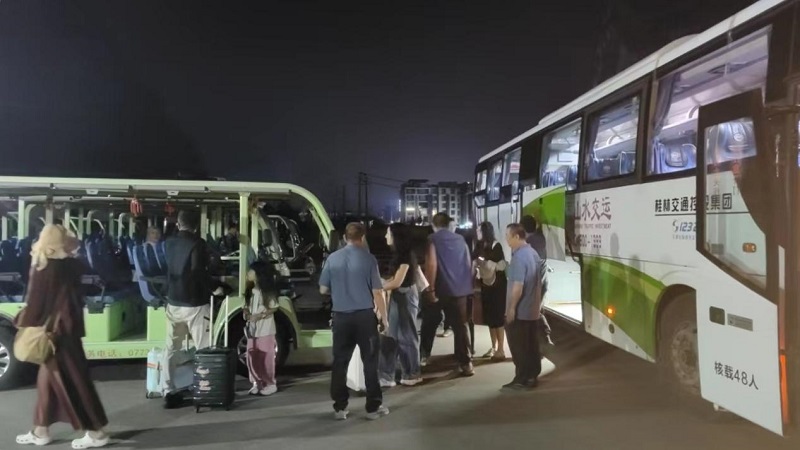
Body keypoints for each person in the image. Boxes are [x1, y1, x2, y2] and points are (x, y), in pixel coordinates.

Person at [14, 224, 111, 449]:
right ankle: (40, 430)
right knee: (47, 382)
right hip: (69, 328)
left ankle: (96, 433)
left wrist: (22, 321)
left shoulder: (43, 266)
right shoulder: (72, 264)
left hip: (55, 334)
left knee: (75, 383)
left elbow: (35, 303)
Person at [319, 222, 390, 421]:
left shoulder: (333, 258)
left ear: (344, 238)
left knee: (340, 362)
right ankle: (373, 408)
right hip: (364, 317)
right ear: (363, 237)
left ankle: (340, 407)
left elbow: (323, 289)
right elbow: (378, 292)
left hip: (341, 317)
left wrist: (339, 291)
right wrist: (384, 319)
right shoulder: (369, 259)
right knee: (370, 362)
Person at [163, 210, 215, 408]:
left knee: (171, 347)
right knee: (203, 347)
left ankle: (168, 389)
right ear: (197, 225)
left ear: (178, 224)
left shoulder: (169, 242)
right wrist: (215, 288)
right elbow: (197, 272)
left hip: (173, 301)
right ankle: (204, 388)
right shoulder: (198, 243)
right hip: (195, 303)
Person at [422, 213, 474, 376]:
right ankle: (465, 362)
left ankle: (424, 355)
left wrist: (430, 289)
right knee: (460, 326)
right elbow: (468, 263)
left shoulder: (432, 239)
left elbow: (431, 264)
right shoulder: (461, 239)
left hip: (440, 289)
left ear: (434, 225)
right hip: (460, 290)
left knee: (429, 323)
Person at [378, 223, 423, 387]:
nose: (385, 236)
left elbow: (397, 281)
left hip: (406, 296)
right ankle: (386, 375)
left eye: (388, 233)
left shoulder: (406, 256)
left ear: (396, 236)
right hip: (398, 295)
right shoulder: (399, 255)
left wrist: (378, 287)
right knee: (391, 335)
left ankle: (411, 373)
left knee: (407, 335)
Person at [503, 223, 543, 390]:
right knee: (531, 345)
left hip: (521, 311)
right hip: (532, 310)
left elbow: (518, 286)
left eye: (508, 236)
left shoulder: (519, 257)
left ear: (517, 236)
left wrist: (511, 308)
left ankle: (522, 378)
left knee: (519, 347)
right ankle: (532, 376)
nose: (506, 239)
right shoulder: (533, 253)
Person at [243, 261, 280, 396]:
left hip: (266, 329)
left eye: (251, 271)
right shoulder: (250, 291)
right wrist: (247, 314)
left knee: (266, 357)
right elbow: (245, 306)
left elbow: (274, 307)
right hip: (252, 330)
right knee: (252, 356)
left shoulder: (268, 291)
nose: (248, 273)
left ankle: (270, 383)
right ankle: (256, 382)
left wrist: (259, 316)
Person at [474, 221, 507, 361]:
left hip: (498, 286)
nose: (477, 232)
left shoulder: (496, 245)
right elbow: (474, 259)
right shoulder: (479, 246)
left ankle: (501, 349)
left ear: (485, 231)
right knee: (489, 317)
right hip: (486, 284)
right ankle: (493, 347)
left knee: (498, 317)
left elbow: (500, 265)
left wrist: (485, 263)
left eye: (479, 230)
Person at [521, 215, 555, 348]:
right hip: (543, 282)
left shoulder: (527, 245)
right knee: (538, 310)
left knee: (535, 311)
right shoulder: (540, 239)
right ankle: (543, 339)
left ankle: (545, 338)